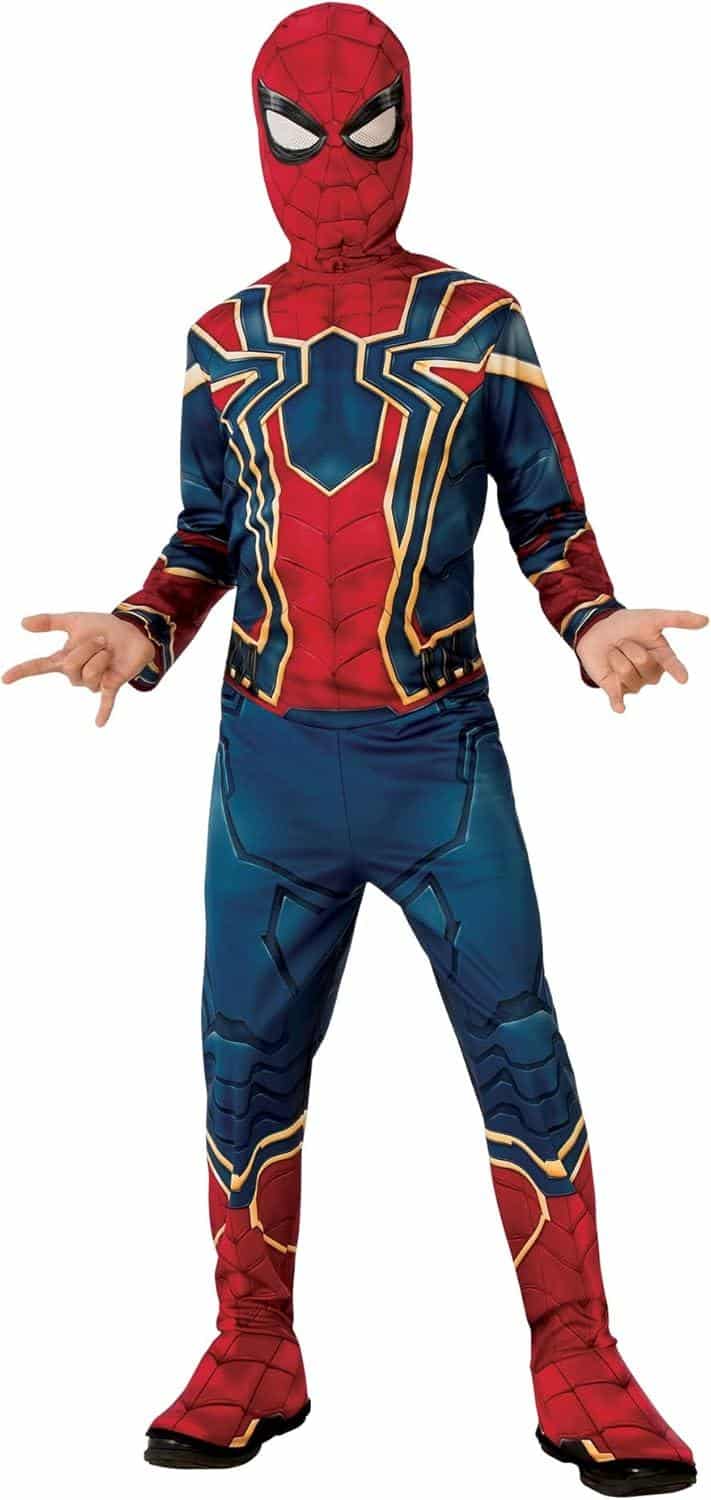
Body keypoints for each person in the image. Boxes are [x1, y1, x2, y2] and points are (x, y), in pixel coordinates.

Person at [4, 4, 705, 1491]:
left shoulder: (480, 321)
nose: (333, 164)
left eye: (365, 130)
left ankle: (579, 1357)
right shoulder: (221, 340)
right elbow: (206, 530)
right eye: (300, 134)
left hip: (438, 755)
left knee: (522, 1052)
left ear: (408, 125)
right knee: (243, 1067)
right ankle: (251, 1348)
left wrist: (591, 625)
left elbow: (550, 520)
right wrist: (139, 626)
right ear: (255, 138)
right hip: (265, 766)